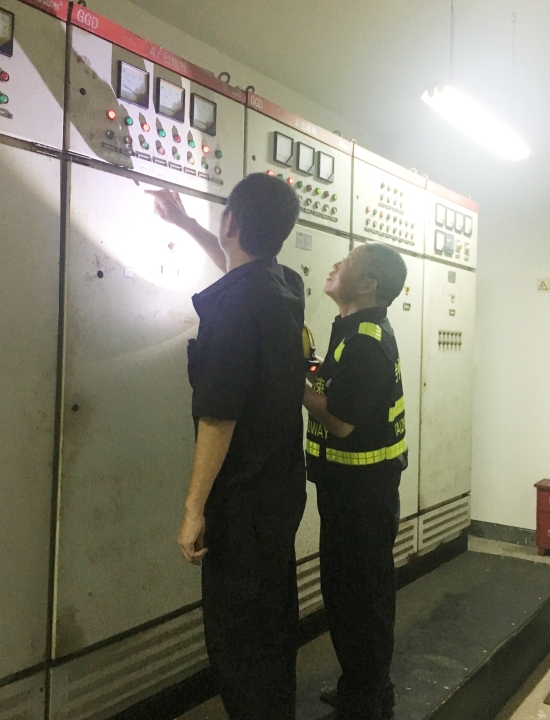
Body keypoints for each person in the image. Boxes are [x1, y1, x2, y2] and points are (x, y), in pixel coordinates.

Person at [146, 174, 307, 720]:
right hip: (280, 494)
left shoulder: (230, 308)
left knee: (239, 643)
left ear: (231, 222)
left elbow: (218, 418)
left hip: (240, 507)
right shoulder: (287, 286)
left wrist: (193, 509)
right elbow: (244, 270)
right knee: (272, 625)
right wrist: (188, 223)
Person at [303, 242, 408, 720]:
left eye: (346, 263)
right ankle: (364, 689)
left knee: (359, 600)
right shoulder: (352, 329)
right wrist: (310, 369)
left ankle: (367, 700)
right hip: (353, 491)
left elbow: (341, 421)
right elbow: (339, 386)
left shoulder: (365, 339)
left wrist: (292, 381)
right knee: (354, 597)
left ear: (368, 284)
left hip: (361, 497)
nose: (335, 264)